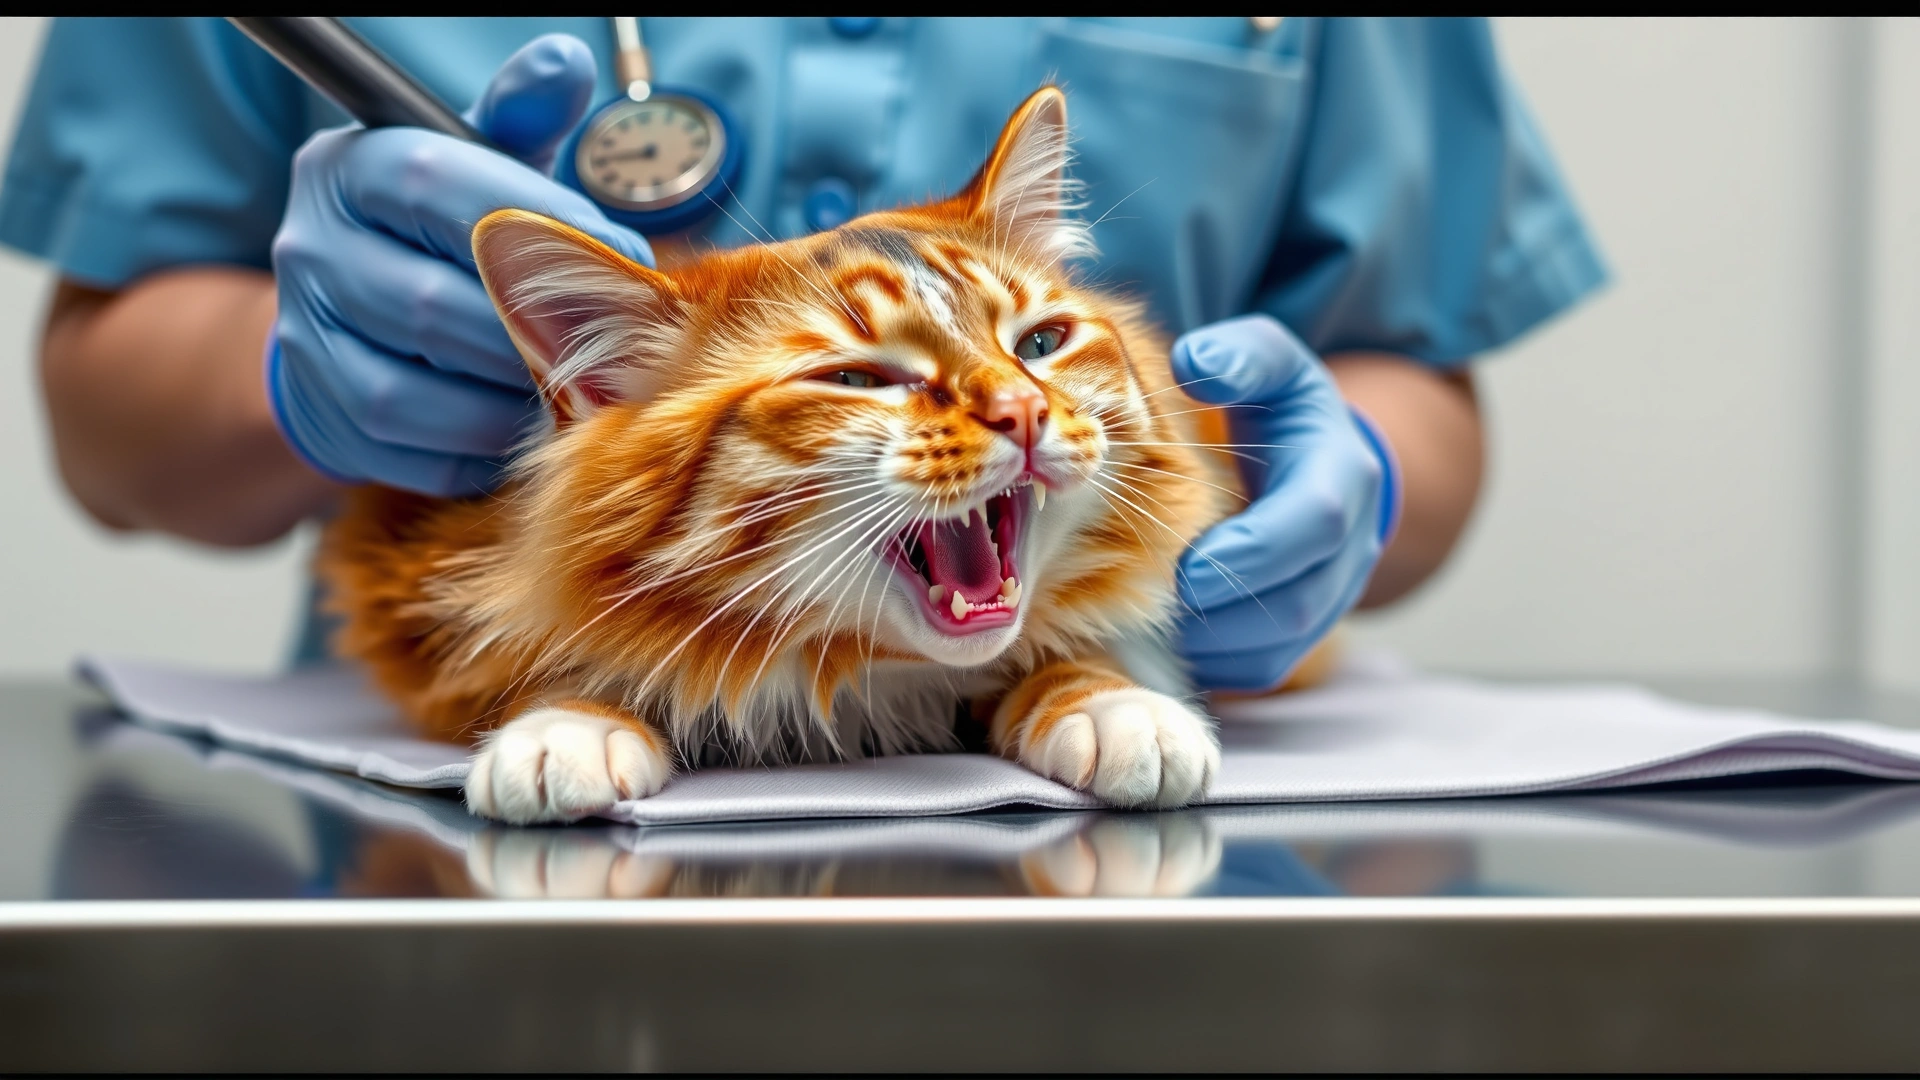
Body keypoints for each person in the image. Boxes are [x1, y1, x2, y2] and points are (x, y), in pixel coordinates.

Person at [6, 17, 1603, 691]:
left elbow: (1413, 365)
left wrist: (1362, 477)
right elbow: (102, 412)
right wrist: (301, 368)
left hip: (1118, 779)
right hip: (514, 785)